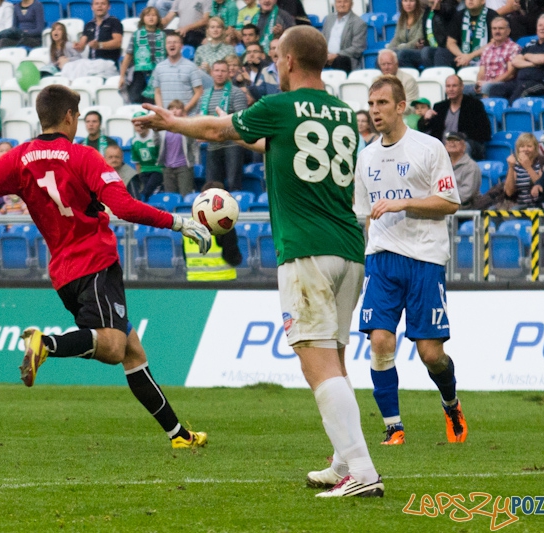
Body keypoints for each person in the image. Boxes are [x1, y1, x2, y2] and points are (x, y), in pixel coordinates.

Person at [0, 84, 212, 450]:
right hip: (95, 262)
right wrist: (176, 222)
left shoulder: (19, 159)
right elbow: (124, 207)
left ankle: (180, 436)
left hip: (63, 273)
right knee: (113, 347)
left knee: (132, 352)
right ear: (69, 116)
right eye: (77, 116)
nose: (78, 122)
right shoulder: (84, 157)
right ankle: (45, 343)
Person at [135, 25, 383, 498]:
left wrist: (172, 123)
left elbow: (216, 128)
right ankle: (341, 460)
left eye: (276, 57)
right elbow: (272, 144)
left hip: (305, 250)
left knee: (319, 367)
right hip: (349, 251)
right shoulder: (344, 116)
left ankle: (364, 473)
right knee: (336, 360)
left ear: (288, 62)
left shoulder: (278, 106)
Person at [353, 75, 467, 448]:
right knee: (381, 341)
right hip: (382, 260)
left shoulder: (429, 148)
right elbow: (362, 212)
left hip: (424, 259)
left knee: (430, 354)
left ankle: (451, 404)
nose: (375, 112)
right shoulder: (366, 156)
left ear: (401, 107)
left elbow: (449, 204)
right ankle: (393, 427)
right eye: (371, 105)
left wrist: (404, 202)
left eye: (382, 104)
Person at [489, 14, 544, 101]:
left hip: (541, 84)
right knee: (495, 89)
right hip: (519, 82)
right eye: (540, 25)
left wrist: (526, 56)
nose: (542, 28)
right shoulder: (529, 44)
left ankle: (510, 112)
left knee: (522, 90)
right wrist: (533, 63)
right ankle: (498, 114)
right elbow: (515, 61)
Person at [418, 75, 491, 160]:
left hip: (465, 145)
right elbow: (424, 129)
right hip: (443, 147)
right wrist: (425, 119)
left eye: (454, 86)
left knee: (465, 146)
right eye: (448, 86)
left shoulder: (474, 105)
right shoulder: (440, 107)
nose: (451, 89)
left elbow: (485, 132)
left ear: (461, 87)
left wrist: (460, 139)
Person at [202, 60, 247, 190]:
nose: (219, 74)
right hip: (213, 146)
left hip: (233, 145)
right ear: (211, 73)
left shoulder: (236, 92)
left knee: (233, 183)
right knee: (212, 186)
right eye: (217, 70)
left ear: (228, 73)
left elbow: (241, 119)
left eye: (223, 71)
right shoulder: (205, 95)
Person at [184, 180, 242, 281]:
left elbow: (185, 256)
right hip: (222, 279)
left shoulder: (188, 224)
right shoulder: (223, 223)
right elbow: (231, 256)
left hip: (194, 281)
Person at [119, 7, 164, 104]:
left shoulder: (163, 35)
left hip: (158, 72)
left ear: (158, 18)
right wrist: (122, 76)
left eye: (154, 15)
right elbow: (128, 56)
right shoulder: (136, 35)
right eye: (148, 15)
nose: (151, 18)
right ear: (143, 18)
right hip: (139, 72)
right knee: (136, 99)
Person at [152, 31, 204, 114]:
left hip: (186, 117)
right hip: (167, 118)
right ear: (165, 46)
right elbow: (157, 92)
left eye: (175, 42)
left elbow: (199, 92)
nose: (172, 45)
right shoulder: (159, 67)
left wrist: (184, 111)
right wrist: (161, 111)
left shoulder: (191, 66)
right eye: (169, 43)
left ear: (181, 46)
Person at [398, 0, 458, 70]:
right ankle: (416, 78)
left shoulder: (450, 5)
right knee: (403, 54)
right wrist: (421, 43)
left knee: (427, 51)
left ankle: (432, 76)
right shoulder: (428, 10)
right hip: (429, 49)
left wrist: (439, 7)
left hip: (445, 50)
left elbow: (448, 12)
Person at [440, 0, 497, 68]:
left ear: (482, 1)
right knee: (441, 52)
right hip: (461, 58)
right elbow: (450, 42)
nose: (470, 0)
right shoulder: (459, 15)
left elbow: (494, 43)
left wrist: (470, 56)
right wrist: (462, 56)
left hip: (486, 58)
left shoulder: (492, 15)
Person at [157, 99, 197, 197]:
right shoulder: (162, 129)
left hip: (184, 167)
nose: (174, 111)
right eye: (171, 108)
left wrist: (186, 123)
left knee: (185, 195)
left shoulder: (187, 127)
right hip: (168, 168)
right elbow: (156, 143)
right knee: (170, 197)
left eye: (178, 108)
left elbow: (192, 141)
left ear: (182, 112)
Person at [473, 16, 520, 97]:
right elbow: (481, 71)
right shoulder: (487, 49)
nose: (497, 31)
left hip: (504, 84)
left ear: (508, 31)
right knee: (462, 89)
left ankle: (485, 109)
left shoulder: (514, 48)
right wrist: (478, 83)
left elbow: (510, 74)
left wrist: (490, 82)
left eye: (500, 28)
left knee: (486, 87)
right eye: (494, 28)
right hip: (487, 83)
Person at [321, 0, 366, 74]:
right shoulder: (329, 19)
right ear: (335, 4)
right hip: (327, 57)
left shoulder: (359, 23)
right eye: (339, 2)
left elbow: (357, 48)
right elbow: (322, 40)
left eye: (345, 2)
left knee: (340, 60)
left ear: (351, 4)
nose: (342, 5)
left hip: (345, 58)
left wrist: (336, 55)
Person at [74, 0, 123, 66]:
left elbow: (118, 43)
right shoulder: (89, 24)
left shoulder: (114, 22)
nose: (99, 6)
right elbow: (82, 45)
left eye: (103, 3)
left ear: (108, 7)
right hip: (91, 64)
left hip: (109, 64)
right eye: (96, 4)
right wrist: (78, 46)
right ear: (92, 7)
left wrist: (99, 45)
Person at [130, 114, 164, 200]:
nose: (139, 127)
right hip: (144, 171)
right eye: (136, 125)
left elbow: (162, 155)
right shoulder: (134, 141)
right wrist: (139, 175)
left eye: (142, 124)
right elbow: (137, 162)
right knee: (143, 186)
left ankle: (141, 200)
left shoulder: (155, 137)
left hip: (157, 169)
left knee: (147, 189)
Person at [504, 131, 542, 207]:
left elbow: (542, 187)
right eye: (522, 146)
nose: (525, 149)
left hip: (536, 205)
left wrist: (528, 167)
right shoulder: (515, 165)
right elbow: (509, 192)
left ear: (535, 148)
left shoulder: (541, 162)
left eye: (529, 146)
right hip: (518, 204)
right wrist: (511, 167)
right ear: (518, 149)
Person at [445, 131, 481, 209]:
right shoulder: (442, 165)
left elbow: (466, 195)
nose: (451, 143)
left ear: (464, 146)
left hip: (466, 208)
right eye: (449, 140)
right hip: (445, 204)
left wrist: (443, 200)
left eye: (456, 140)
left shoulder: (471, 166)